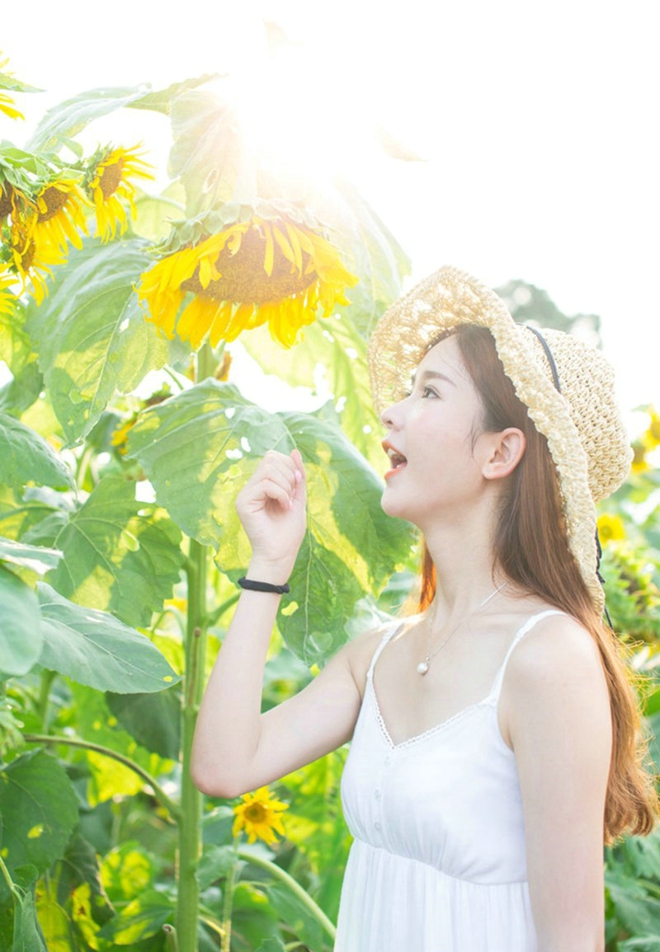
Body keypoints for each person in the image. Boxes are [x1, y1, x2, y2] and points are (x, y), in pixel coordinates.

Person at [191, 266, 658, 951]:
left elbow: (573, 938)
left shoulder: (548, 654)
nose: (392, 413)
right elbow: (225, 768)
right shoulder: (380, 653)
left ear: (501, 451)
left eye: (430, 392)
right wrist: (268, 567)